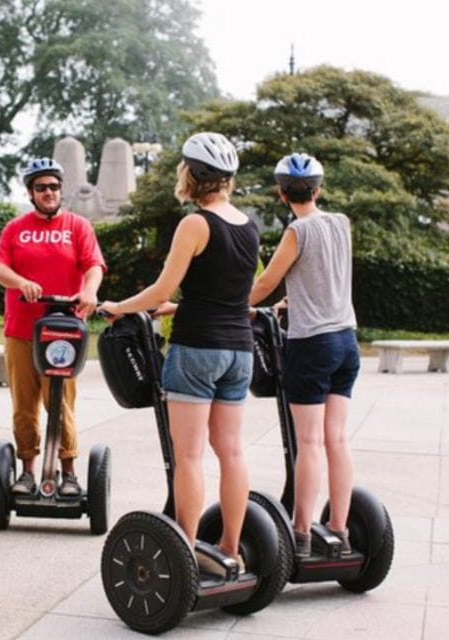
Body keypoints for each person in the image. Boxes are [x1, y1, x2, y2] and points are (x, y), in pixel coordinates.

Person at [98, 133, 258, 574]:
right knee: (232, 452)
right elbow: (225, 294)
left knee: (188, 455)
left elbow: (161, 288)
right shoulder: (249, 226)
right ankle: (230, 548)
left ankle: (185, 551)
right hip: (238, 352)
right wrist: (178, 305)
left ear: (193, 174)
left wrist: (118, 306)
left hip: (196, 349)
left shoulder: (195, 224)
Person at [248, 153, 359, 558]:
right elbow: (325, 276)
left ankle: (300, 534)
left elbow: (264, 284)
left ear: (282, 193)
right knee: (338, 439)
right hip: (347, 340)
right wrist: (292, 299)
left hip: (312, 344)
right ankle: (340, 529)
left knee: (309, 441)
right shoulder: (341, 223)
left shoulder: (296, 232)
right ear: (319, 189)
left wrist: (231, 304)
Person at [0, 158, 106, 497]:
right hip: (22, 329)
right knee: (24, 404)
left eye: (54, 187)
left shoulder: (77, 226)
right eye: (41, 187)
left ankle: (68, 472)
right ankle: (27, 470)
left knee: (61, 403)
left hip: (65, 330)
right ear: (30, 192)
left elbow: (94, 265)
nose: (49, 192)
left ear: (61, 190)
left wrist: (89, 291)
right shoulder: (15, 228)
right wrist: (20, 281)